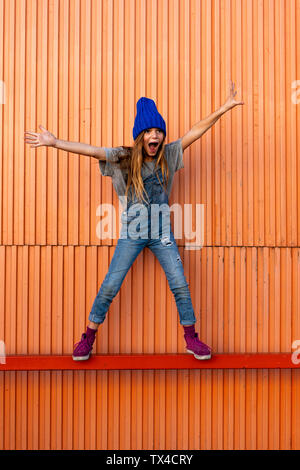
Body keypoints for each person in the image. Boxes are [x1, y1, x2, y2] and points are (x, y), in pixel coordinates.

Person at [24, 80, 244, 362]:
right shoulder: (123, 157)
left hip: (162, 232)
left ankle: (192, 338)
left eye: (159, 132)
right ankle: (88, 338)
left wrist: (224, 108)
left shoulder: (169, 155)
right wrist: (55, 143)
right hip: (132, 233)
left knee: (179, 283)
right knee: (110, 285)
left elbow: (195, 132)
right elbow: (92, 150)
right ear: (141, 136)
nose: (156, 136)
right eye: (150, 132)